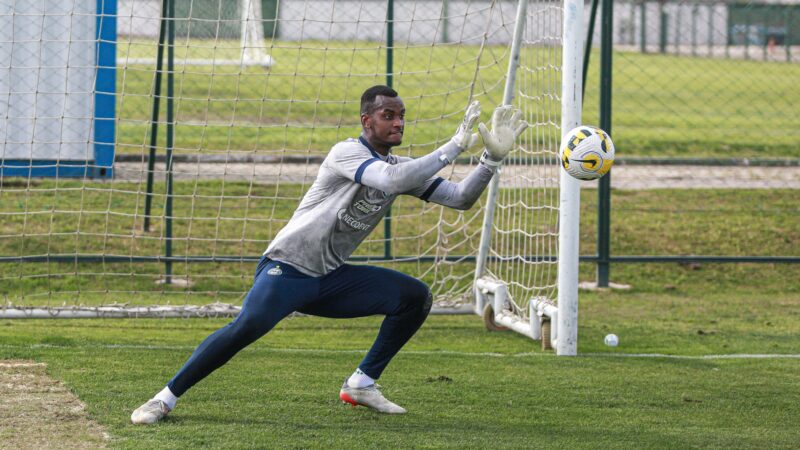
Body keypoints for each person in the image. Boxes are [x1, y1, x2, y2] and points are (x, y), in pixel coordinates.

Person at [131, 85, 526, 423]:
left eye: (403, 116)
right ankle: (163, 399)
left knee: (413, 297)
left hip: (330, 278)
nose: (399, 123)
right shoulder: (346, 153)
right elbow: (391, 179)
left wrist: (491, 160)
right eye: (389, 115)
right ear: (366, 121)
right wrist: (454, 146)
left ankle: (361, 384)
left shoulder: (403, 165)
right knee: (243, 332)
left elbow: (460, 199)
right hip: (288, 269)